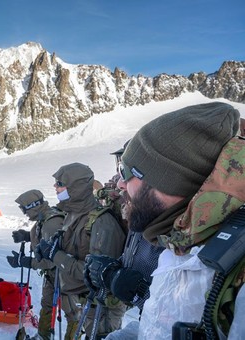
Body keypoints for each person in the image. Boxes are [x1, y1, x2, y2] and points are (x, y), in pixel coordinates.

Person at [84, 102, 244, 339]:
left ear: (170, 180)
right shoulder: (179, 247)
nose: (119, 184)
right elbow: (160, 325)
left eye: (127, 172)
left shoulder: (233, 271)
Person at [35, 163, 127, 340]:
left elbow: (98, 276)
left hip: (102, 310)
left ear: (75, 188)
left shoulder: (101, 223)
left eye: (60, 183)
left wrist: (56, 255)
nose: (55, 187)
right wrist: (50, 250)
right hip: (87, 303)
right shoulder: (73, 215)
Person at [85, 142, 165, 340]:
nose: (121, 183)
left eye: (129, 170)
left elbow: (176, 309)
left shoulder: (174, 226)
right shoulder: (140, 209)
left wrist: (134, 288)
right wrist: (112, 270)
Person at [6, 189, 65, 340]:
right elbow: (43, 241)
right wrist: (27, 236)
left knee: (71, 313)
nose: (23, 212)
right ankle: (43, 336)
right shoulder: (43, 218)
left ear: (33, 206)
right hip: (52, 276)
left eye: (24, 208)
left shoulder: (51, 222)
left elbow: (51, 260)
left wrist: (24, 262)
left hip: (62, 276)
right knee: (47, 305)